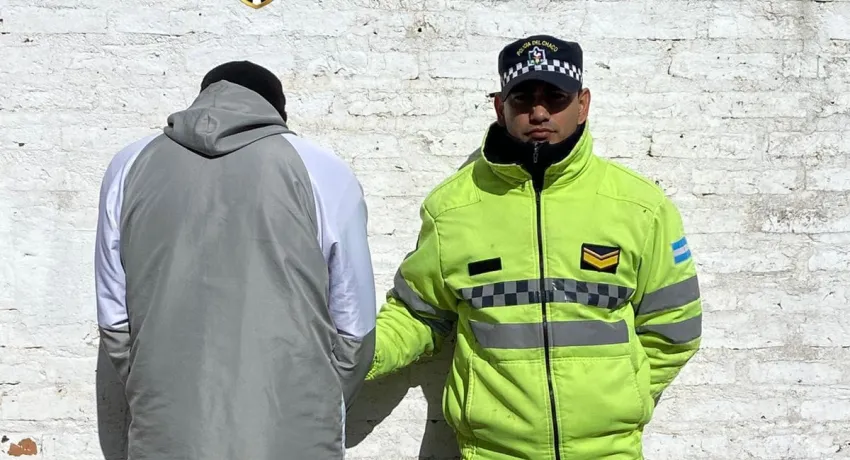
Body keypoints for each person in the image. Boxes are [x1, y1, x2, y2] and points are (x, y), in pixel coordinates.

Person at [365, 35, 703, 460]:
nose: (539, 112)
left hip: (609, 451)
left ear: (583, 104)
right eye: (523, 98)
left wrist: (624, 397)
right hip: (492, 452)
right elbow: (418, 314)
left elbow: (675, 325)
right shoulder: (452, 209)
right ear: (499, 107)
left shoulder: (640, 207)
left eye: (556, 97)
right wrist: (353, 354)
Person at [94, 61, 376, 460]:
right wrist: (314, 407)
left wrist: (157, 394)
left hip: (168, 433)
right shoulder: (324, 171)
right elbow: (355, 330)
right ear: (279, 113)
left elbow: (114, 321)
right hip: (293, 437)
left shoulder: (127, 166)